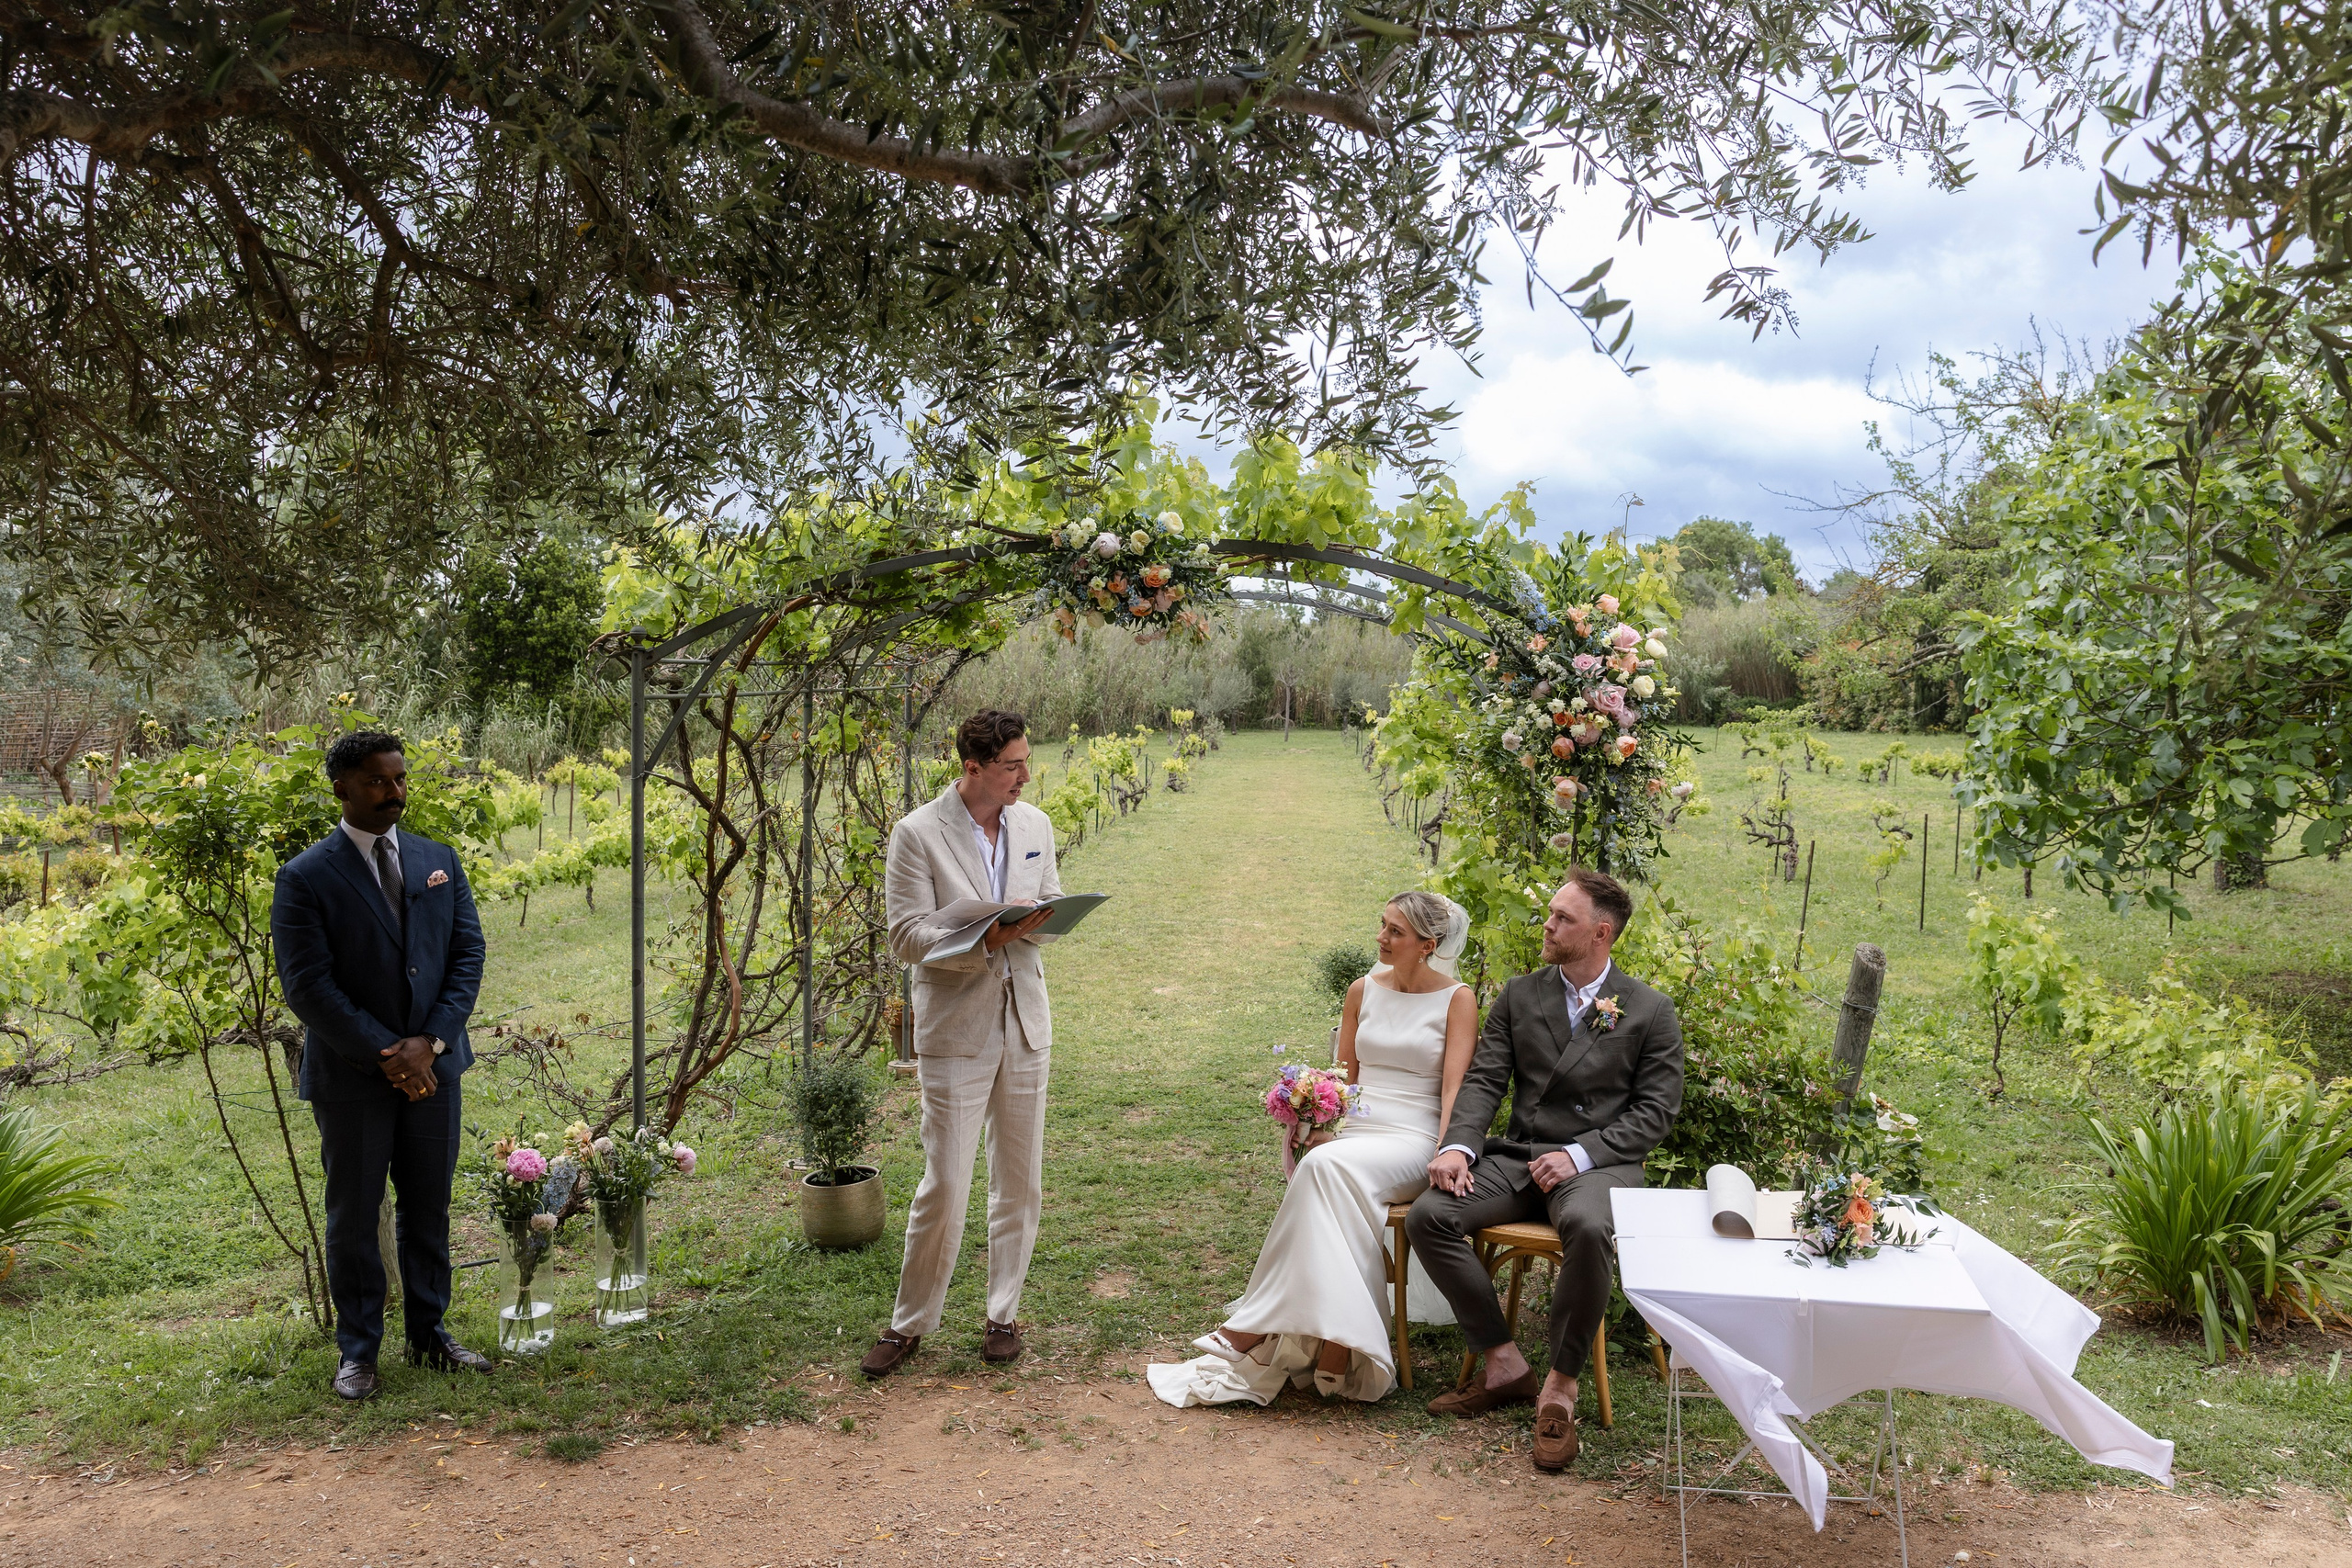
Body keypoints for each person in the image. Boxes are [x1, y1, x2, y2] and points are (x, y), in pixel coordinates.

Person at [1146, 891, 1478, 1407]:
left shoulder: (1457, 999)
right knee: (1324, 1166)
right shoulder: (1362, 990)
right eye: (1382, 925)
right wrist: (1320, 1118)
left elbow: (1455, 1088)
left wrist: (1446, 1149)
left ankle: (1253, 1328)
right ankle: (1337, 1346)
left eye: (1395, 932)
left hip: (1415, 1140)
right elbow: (1344, 1078)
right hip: (1357, 1138)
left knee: (1322, 1168)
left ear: (1428, 945)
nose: (1380, 938)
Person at [1407, 867, 1683, 1472]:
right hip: (1520, 1156)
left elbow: (1655, 1113)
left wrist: (1580, 1154)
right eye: (1550, 913)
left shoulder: (1649, 1010)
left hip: (1598, 1164)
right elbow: (1484, 1081)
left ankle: (1560, 1386)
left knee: (1587, 1226)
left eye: (1563, 918)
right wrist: (1458, 1146)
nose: (1548, 924)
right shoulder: (1521, 994)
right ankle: (1504, 1361)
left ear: (1601, 933)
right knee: (1430, 1215)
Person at [272, 730, 491, 1401]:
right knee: (354, 1213)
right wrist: (390, 1054)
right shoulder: (305, 876)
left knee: (429, 1207)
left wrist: (433, 1041)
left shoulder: (437, 859)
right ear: (340, 786)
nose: (394, 791)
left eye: (399, 779)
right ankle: (358, 1352)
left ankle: (430, 1335)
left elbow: (466, 955)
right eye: (377, 781)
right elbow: (308, 985)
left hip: (437, 1071)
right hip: (353, 1078)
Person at [861, 710, 1061, 1377]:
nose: (1025, 776)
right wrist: (984, 939)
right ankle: (908, 1321)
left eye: (1025, 761)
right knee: (945, 1180)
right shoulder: (917, 834)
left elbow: (1051, 899)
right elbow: (905, 937)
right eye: (1012, 765)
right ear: (973, 767)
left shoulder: (1035, 825)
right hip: (955, 1028)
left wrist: (1044, 919)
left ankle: (1003, 1313)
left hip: (1026, 1022)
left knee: (1020, 1180)